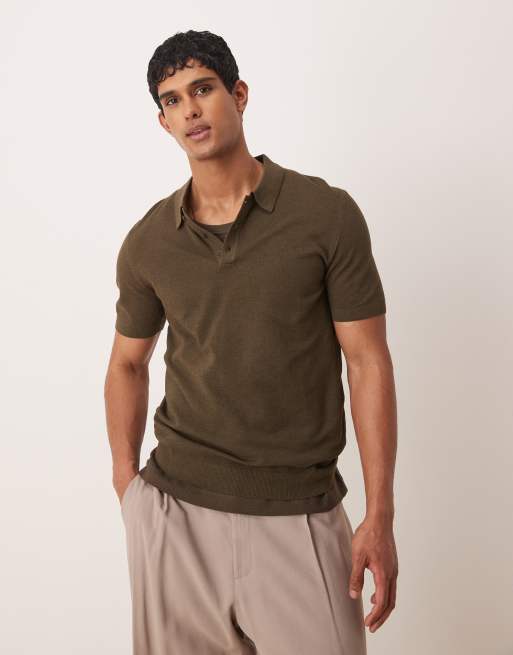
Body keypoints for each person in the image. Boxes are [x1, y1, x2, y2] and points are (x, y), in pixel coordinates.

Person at [104, 29, 398, 655]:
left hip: (299, 514)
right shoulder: (149, 241)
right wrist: (129, 488)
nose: (190, 110)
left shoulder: (325, 214)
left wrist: (380, 513)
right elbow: (127, 363)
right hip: (175, 515)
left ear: (238, 94)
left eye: (203, 89)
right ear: (163, 121)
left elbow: (367, 359)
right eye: (172, 100)